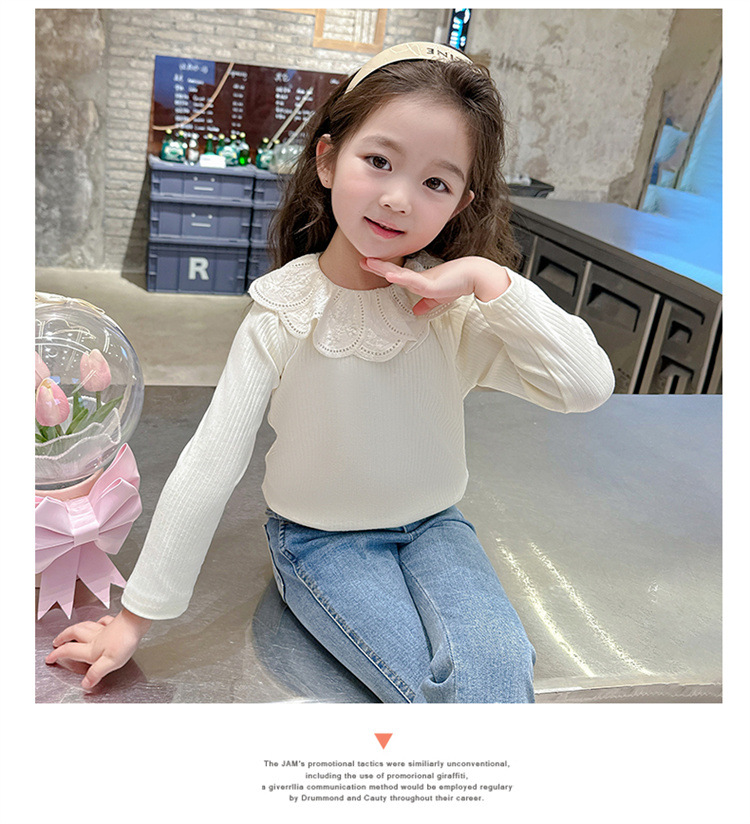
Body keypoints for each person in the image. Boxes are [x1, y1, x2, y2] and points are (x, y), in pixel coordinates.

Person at [46, 42, 614, 702]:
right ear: (327, 160)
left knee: (499, 667)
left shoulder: (450, 309)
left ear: (460, 204)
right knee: (450, 696)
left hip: (437, 527)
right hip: (321, 543)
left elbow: (585, 386)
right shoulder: (285, 310)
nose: (398, 199)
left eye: (435, 183)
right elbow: (212, 461)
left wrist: (491, 278)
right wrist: (135, 617)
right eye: (379, 161)